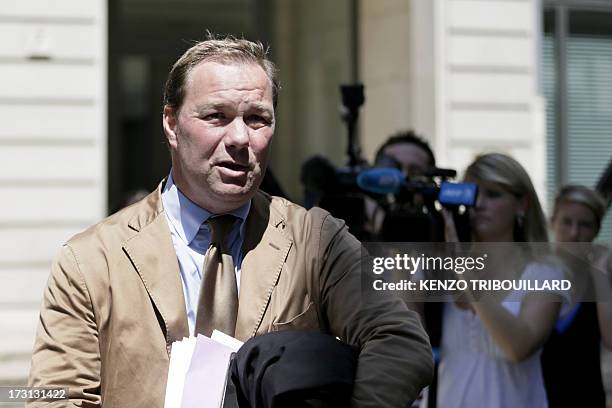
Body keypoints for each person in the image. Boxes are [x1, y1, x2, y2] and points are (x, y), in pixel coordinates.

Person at [27, 35, 433, 407]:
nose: (241, 138)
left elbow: (400, 339)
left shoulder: (315, 238)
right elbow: (54, 396)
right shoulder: (91, 261)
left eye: (257, 118)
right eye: (216, 117)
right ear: (171, 123)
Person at [422, 152, 569, 408]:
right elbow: (407, 329)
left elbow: (518, 347)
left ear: (522, 203)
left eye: (493, 194)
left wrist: (464, 270)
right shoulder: (440, 267)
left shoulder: (545, 273)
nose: (479, 204)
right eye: (473, 194)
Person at [541, 184, 612, 407]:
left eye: (584, 225)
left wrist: (600, 273)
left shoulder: (601, 278)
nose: (574, 233)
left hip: (587, 397)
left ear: (596, 230)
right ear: (552, 223)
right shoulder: (535, 271)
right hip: (537, 397)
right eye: (566, 222)